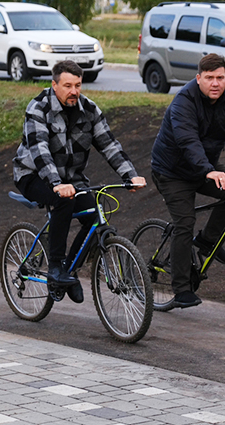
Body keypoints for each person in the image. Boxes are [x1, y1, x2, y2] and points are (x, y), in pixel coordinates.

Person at [12, 60, 146, 303]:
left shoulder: (89, 110)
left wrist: (129, 175)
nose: (73, 91)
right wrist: (55, 183)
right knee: (62, 200)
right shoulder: (38, 108)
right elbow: (40, 150)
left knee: (94, 217)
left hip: (72, 180)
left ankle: (69, 272)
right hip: (32, 175)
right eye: (67, 85)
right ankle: (55, 268)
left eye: (77, 85)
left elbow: (109, 145)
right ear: (54, 85)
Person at [150, 53, 225, 309]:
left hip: (205, 165)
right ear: (198, 79)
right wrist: (208, 170)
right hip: (172, 171)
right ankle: (182, 289)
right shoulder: (183, 102)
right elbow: (187, 141)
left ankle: (207, 241)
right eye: (209, 78)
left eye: (220, 77)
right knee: (184, 222)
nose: (215, 83)